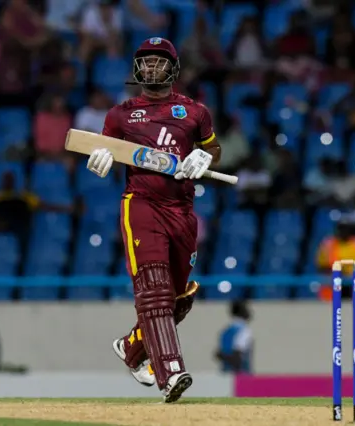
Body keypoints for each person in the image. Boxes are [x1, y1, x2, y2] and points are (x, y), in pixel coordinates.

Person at [87, 37, 221, 403]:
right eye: (145, 61)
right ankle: (171, 372)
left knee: (177, 298)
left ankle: (132, 347)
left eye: (159, 62)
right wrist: (101, 157)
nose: (151, 67)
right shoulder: (120, 114)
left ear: (173, 69)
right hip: (141, 205)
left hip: (182, 210)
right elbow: (105, 147)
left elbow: (214, 149)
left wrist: (204, 158)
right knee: (154, 290)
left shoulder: (194, 112)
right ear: (135, 68)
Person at [214, 300, 253, 373]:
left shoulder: (225, 331)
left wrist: (224, 357)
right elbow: (238, 354)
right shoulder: (244, 330)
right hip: (240, 374)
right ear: (242, 311)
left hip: (225, 374)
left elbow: (218, 354)